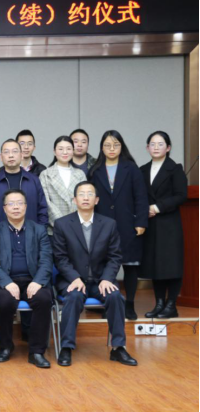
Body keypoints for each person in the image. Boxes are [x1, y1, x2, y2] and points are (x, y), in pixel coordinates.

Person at [52, 181, 138, 367]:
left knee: (115, 296)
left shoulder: (109, 224)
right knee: (74, 296)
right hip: (72, 280)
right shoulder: (62, 224)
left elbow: (115, 257)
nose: (85, 198)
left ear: (97, 200)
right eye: (81, 194)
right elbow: (60, 258)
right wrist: (74, 278)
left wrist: (107, 278)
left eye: (90, 194)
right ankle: (66, 347)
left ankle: (118, 347)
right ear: (74, 200)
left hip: (100, 280)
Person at [0, 189, 53, 368]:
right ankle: (6, 346)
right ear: (4, 208)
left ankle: (36, 351)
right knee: (3, 301)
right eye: (11, 204)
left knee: (44, 299)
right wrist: (7, 282)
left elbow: (46, 260)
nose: (15, 207)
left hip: (33, 279)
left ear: (26, 206)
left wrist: (37, 281)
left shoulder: (39, 230)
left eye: (19, 203)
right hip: (6, 281)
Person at [88, 130, 149, 320]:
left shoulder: (131, 168)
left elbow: (141, 197)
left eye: (115, 145)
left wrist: (141, 221)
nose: (111, 149)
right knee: (106, 266)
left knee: (130, 266)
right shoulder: (95, 170)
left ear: (121, 146)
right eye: (107, 145)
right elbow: (91, 200)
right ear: (101, 148)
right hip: (102, 226)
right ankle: (110, 304)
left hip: (128, 224)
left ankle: (130, 304)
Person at [140, 131, 188, 319]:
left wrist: (157, 207)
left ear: (168, 148)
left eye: (160, 144)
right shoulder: (142, 169)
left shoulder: (175, 169)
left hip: (169, 224)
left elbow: (181, 195)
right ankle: (159, 303)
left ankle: (171, 304)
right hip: (150, 223)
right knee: (155, 264)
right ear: (147, 148)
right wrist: (144, 209)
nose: (156, 147)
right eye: (152, 144)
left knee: (171, 264)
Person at [0, 139, 48, 235]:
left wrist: (41, 235)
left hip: (31, 237)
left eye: (15, 151)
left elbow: (42, 210)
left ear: (21, 155)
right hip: (0, 238)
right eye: (6, 152)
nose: (11, 155)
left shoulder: (34, 180)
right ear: (1, 157)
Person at [39, 136, 87, 235]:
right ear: (54, 151)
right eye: (60, 149)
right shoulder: (45, 174)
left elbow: (84, 200)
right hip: (54, 230)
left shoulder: (80, 174)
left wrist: (74, 222)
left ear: (73, 151)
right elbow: (46, 202)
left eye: (68, 149)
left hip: (77, 228)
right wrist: (62, 224)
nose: (65, 152)